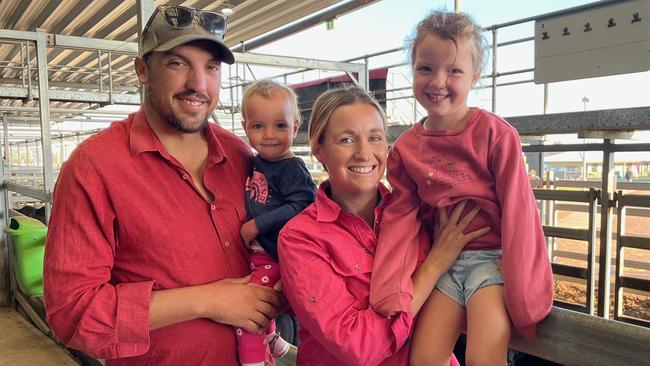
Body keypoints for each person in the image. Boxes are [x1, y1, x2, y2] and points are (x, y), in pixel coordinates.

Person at [44, 6, 283, 365]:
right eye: (177, 63)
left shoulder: (239, 153)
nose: (198, 85)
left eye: (211, 67)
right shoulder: (95, 166)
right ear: (143, 70)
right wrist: (208, 300)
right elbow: (73, 312)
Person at [368, 11, 554, 366]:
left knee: (485, 358)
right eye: (426, 68)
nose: (438, 81)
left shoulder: (495, 135)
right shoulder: (406, 148)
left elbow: (519, 209)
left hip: (493, 263)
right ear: (413, 70)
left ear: (475, 77)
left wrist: (525, 289)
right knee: (423, 359)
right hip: (444, 262)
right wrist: (391, 286)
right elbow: (402, 218)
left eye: (453, 71)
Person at [277, 87, 490, 366]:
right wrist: (434, 265)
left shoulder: (421, 212)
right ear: (319, 150)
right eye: (346, 140)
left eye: (375, 138)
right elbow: (358, 346)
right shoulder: (301, 238)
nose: (364, 153)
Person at [237, 80, 316, 366]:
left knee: (250, 309)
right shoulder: (256, 161)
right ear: (246, 127)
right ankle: (273, 339)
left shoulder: (291, 168)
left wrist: (256, 225)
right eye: (259, 126)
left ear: (295, 127)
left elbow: (304, 203)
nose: (269, 135)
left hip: (276, 255)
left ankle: (254, 359)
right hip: (262, 253)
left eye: (280, 126)